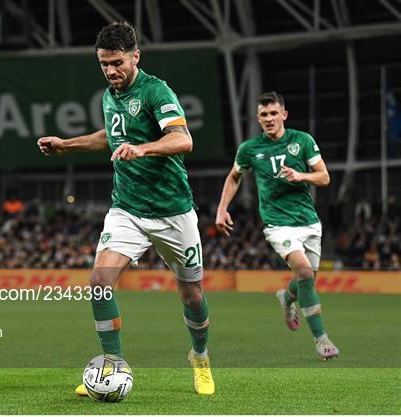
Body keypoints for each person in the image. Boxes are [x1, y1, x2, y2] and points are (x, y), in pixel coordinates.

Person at [38, 22, 215, 395]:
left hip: (172, 211)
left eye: (116, 63)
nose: (110, 71)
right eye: (103, 64)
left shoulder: (155, 91)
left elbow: (183, 139)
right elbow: (110, 136)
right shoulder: (109, 95)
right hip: (127, 209)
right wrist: (65, 145)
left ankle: (199, 358)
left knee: (192, 294)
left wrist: (143, 147)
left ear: (136, 56)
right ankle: (111, 366)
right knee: (100, 282)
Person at [215, 91, 339, 360]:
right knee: (305, 274)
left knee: (306, 280)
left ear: (284, 114)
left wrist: (300, 175)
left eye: (274, 113)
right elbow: (234, 177)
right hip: (277, 224)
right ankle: (322, 340)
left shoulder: (302, 141)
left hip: (308, 222)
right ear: (258, 119)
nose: (269, 119)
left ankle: (287, 297)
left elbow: (324, 177)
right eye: (264, 115)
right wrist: (222, 208)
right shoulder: (250, 149)